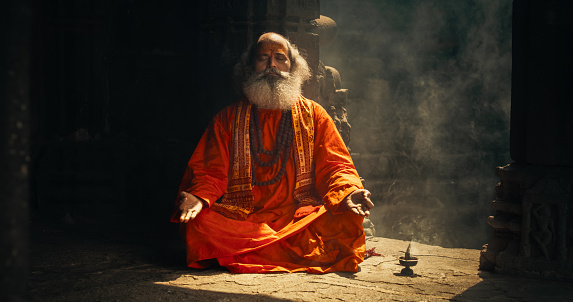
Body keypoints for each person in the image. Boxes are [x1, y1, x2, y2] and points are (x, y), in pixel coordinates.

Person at [171, 32, 374, 273]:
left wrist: (347, 192)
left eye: (280, 58)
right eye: (263, 58)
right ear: (250, 67)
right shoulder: (227, 118)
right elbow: (210, 171)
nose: (272, 66)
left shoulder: (314, 115)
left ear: (293, 67)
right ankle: (279, 249)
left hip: (299, 216)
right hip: (242, 218)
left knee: (344, 221)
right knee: (200, 224)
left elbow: (335, 165)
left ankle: (253, 250)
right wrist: (200, 197)